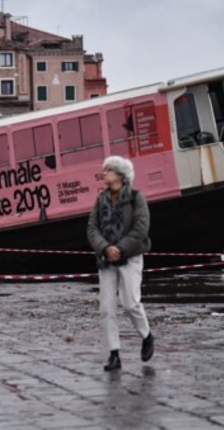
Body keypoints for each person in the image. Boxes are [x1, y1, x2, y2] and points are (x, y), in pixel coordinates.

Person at [87, 155, 154, 371]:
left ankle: (147, 335)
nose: (104, 173)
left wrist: (121, 248)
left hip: (131, 257)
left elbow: (141, 228)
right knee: (106, 309)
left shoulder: (136, 198)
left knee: (130, 303)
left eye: (108, 170)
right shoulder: (100, 200)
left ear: (120, 175)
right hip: (106, 260)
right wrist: (106, 248)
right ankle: (114, 354)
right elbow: (92, 228)